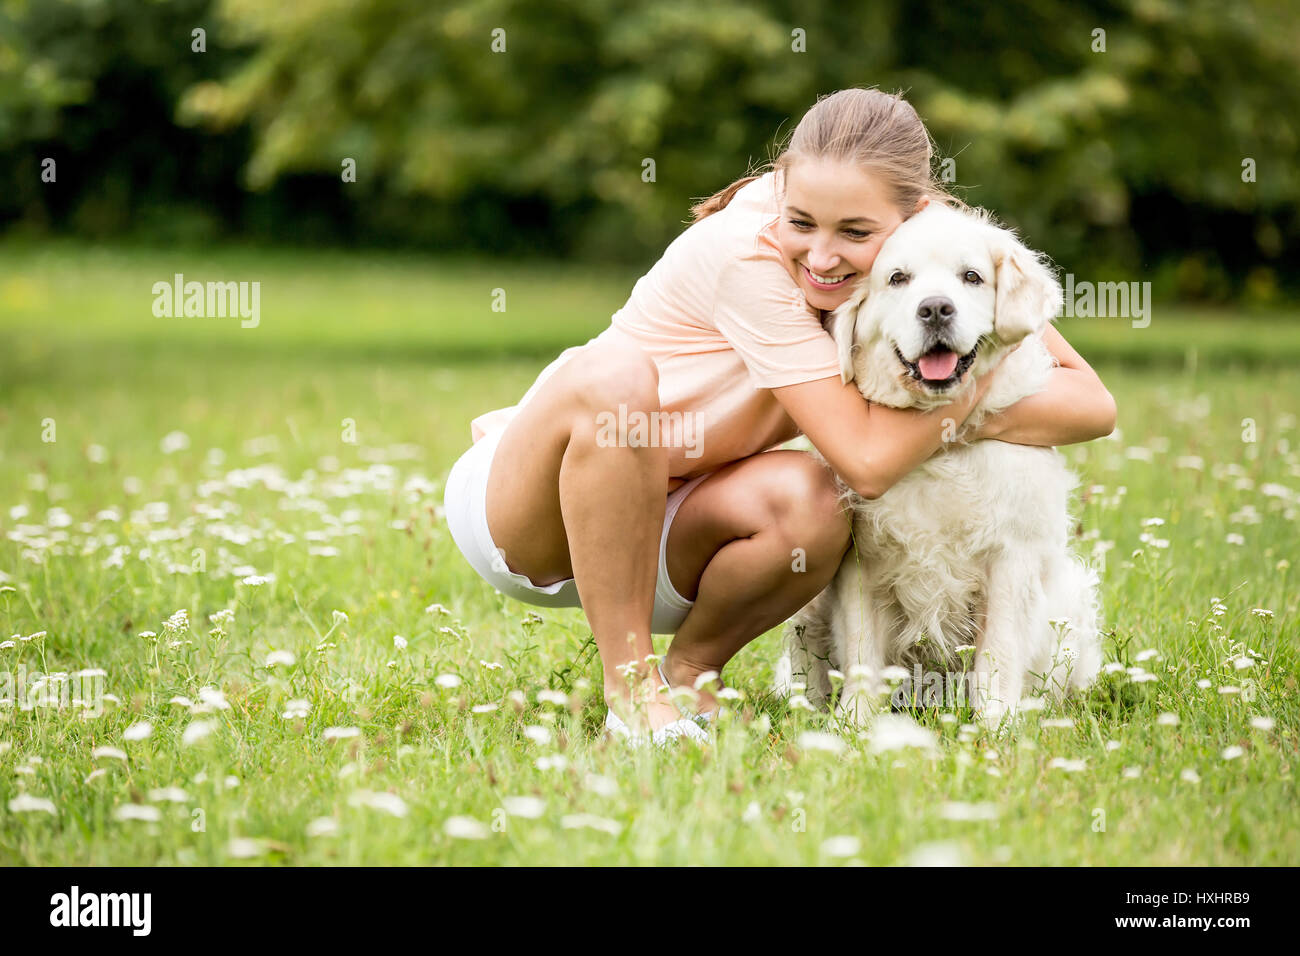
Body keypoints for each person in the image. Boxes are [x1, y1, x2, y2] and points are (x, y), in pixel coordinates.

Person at [442, 87, 1116, 744]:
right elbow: (870, 463)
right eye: (802, 223)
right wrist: (973, 376)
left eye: (854, 233)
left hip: (672, 530)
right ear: (781, 192)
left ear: (913, 214)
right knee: (615, 378)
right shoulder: (748, 256)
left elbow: (1090, 402)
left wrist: (967, 361)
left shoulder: (932, 252)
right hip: (538, 519)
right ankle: (632, 698)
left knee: (816, 501)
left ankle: (690, 676)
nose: (821, 257)